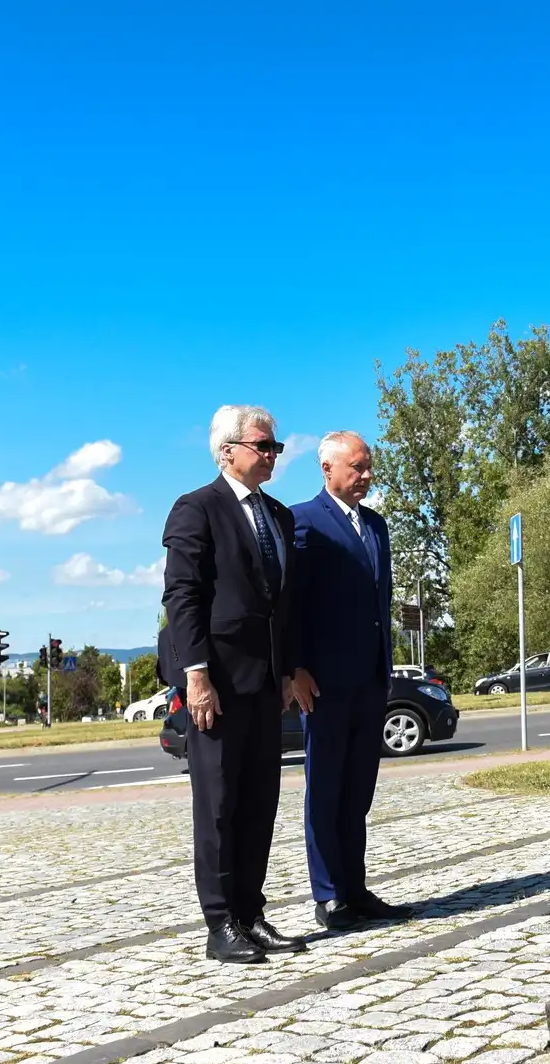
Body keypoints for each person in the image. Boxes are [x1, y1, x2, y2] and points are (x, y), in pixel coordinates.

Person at [161, 404, 318, 963]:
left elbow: (286, 605)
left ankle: (252, 912)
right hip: (218, 684)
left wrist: (289, 669)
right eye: (263, 445)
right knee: (220, 803)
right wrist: (196, 674)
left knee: (260, 802)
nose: (273, 454)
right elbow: (182, 598)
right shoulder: (196, 509)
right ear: (228, 451)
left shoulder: (278, 515)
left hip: (265, 685)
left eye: (275, 446)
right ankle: (220, 922)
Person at [291, 430, 413, 929]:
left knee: (358, 789)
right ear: (327, 469)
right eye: (357, 467)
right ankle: (329, 895)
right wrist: (294, 667)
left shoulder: (376, 527)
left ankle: (355, 888)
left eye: (369, 467)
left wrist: (385, 668)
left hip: (369, 680)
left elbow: (378, 606)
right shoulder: (302, 522)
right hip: (322, 682)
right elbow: (291, 604)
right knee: (325, 787)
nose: (366, 476)